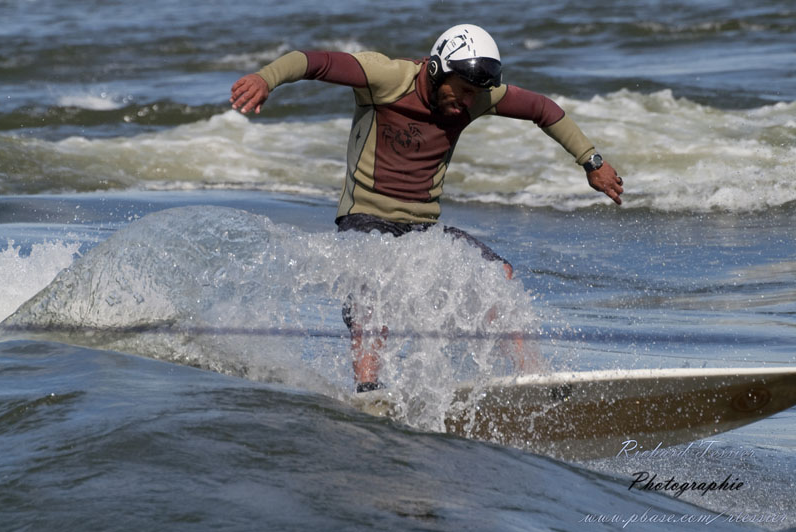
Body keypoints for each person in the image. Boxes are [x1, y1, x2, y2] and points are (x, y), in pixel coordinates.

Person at [230, 24, 623, 392]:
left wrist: (592, 161)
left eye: (474, 95)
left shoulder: (476, 98)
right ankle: (369, 389)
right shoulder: (386, 78)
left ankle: (534, 379)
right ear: (436, 70)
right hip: (365, 217)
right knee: (371, 286)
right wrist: (266, 79)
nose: (467, 102)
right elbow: (315, 62)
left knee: (496, 274)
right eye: (462, 91)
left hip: (423, 228)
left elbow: (542, 109)